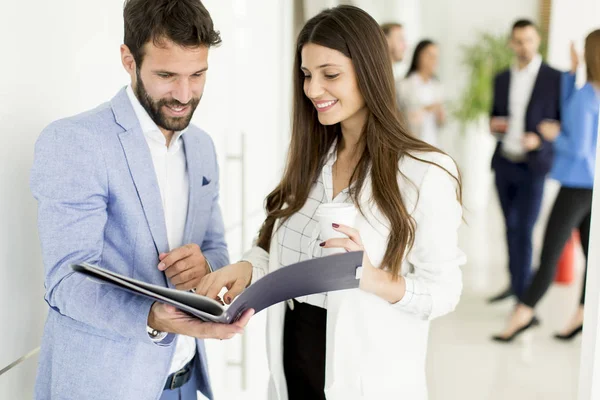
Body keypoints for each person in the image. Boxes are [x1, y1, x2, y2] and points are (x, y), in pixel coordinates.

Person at [196, 6, 465, 399]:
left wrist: (375, 278)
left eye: (330, 74)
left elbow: (444, 292)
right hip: (294, 372)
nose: (313, 89)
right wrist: (249, 267)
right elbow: (285, 247)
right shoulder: (313, 159)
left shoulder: (425, 172)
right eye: (307, 75)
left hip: (366, 383)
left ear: (370, 71)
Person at [30, 1, 253, 399]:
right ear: (128, 60)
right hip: (107, 386)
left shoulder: (201, 147)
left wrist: (206, 267)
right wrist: (152, 316)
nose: (184, 95)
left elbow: (216, 249)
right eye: (167, 75)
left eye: (198, 74)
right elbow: (65, 282)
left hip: (186, 382)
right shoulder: (76, 142)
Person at [493, 31, 600, 342]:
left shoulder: (586, 95)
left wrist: (552, 135)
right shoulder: (590, 92)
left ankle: (522, 314)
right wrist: (573, 71)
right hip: (591, 184)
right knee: (591, 256)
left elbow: (576, 145)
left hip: (576, 186)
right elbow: (573, 107)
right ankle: (581, 313)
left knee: (550, 254)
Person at [487, 19, 562, 304]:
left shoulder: (554, 78)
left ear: (537, 40)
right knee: (510, 226)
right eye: (518, 41)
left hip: (534, 165)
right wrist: (494, 125)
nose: (523, 46)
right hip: (505, 161)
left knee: (525, 228)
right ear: (511, 43)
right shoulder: (502, 78)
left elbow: (561, 123)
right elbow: (495, 117)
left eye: (528, 40)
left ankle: (523, 295)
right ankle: (515, 282)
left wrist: (542, 140)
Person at [397, 39, 446, 147]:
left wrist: (441, 116)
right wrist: (427, 109)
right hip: (411, 144)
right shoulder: (404, 85)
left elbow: (441, 123)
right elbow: (401, 116)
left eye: (436, 57)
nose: (434, 60)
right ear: (419, 56)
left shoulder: (437, 86)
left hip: (433, 144)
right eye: (430, 55)